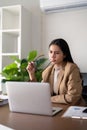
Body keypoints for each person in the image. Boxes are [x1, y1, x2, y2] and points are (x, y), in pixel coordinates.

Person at [26, 38, 84, 105]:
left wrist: (49, 99)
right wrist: (32, 74)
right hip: (55, 106)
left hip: (72, 108)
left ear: (64, 55)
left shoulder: (72, 69)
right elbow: (40, 93)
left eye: (57, 53)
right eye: (51, 52)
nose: (52, 56)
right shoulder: (47, 71)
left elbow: (72, 97)